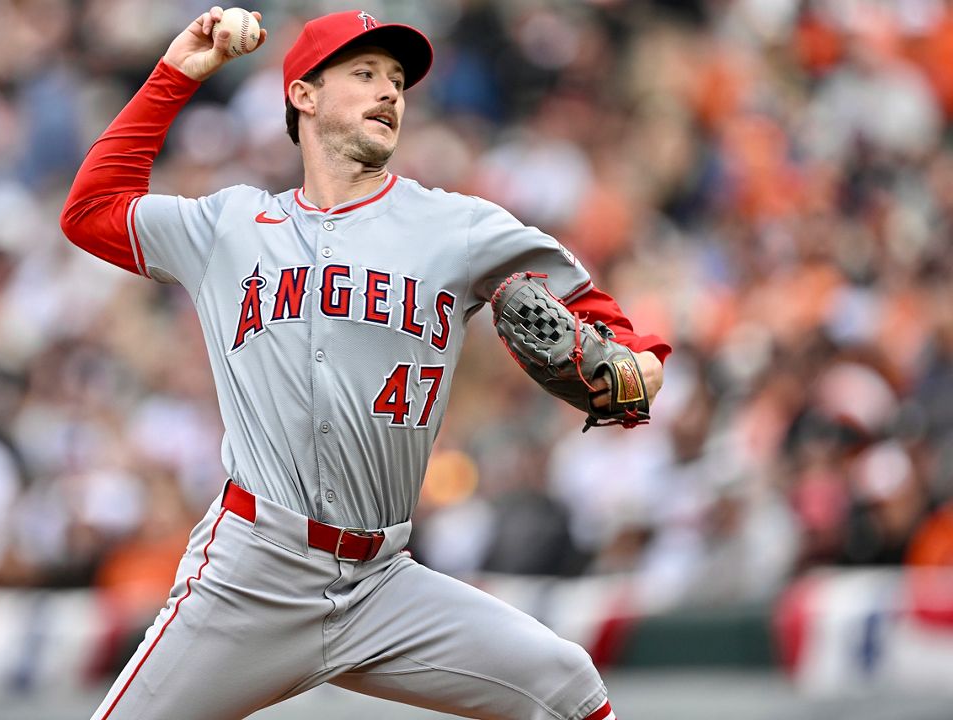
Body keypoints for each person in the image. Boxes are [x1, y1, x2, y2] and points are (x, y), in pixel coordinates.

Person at [60, 8, 670, 719]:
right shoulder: (227, 225)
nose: (390, 92)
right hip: (251, 574)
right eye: (365, 73)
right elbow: (92, 208)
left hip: (383, 579)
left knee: (567, 684)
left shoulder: (457, 228)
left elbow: (616, 336)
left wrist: (635, 374)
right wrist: (175, 75)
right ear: (304, 96)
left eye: (398, 81)